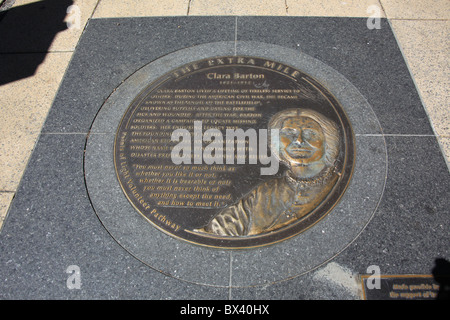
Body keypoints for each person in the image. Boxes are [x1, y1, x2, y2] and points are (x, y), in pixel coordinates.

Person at [195, 108, 341, 237]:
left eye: (310, 134)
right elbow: (217, 232)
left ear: (328, 140)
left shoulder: (337, 187)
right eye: (289, 133)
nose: (298, 141)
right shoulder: (263, 192)